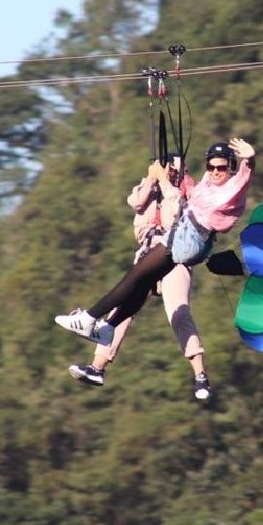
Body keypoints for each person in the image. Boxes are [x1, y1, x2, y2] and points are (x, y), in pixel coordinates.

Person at [56, 137, 256, 400]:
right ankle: (99, 355)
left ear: (230, 167)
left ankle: (199, 375)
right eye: (211, 167)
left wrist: (248, 160)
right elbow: (137, 202)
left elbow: (240, 180)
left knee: (173, 308)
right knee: (134, 291)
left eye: (221, 167)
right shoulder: (199, 185)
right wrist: (159, 177)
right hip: (173, 242)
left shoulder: (230, 189)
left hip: (186, 243)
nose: (216, 172)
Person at [67, 155, 206, 388]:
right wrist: (154, 177)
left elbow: (176, 215)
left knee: (178, 312)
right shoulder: (149, 188)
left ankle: (200, 374)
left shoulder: (187, 190)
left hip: (173, 256)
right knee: (122, 311)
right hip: (147, 254)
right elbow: (136, 202)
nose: (171, 173)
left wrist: (170, 181)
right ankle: (97, 367)